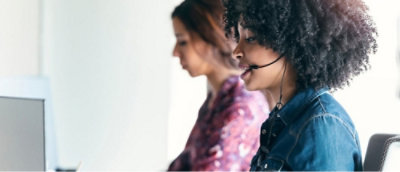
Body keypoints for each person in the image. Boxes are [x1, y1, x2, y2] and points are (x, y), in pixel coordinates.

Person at [223, 0, 377, 170]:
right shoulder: (284, 120)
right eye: (239, 38)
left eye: (250, 38)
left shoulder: (320, 127)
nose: (236, 51)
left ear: (290, 42)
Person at [168, 0, 270, 171]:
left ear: (209, 37)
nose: (175, 52)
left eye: (182, 41)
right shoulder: (217, 99)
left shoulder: (241, 107)